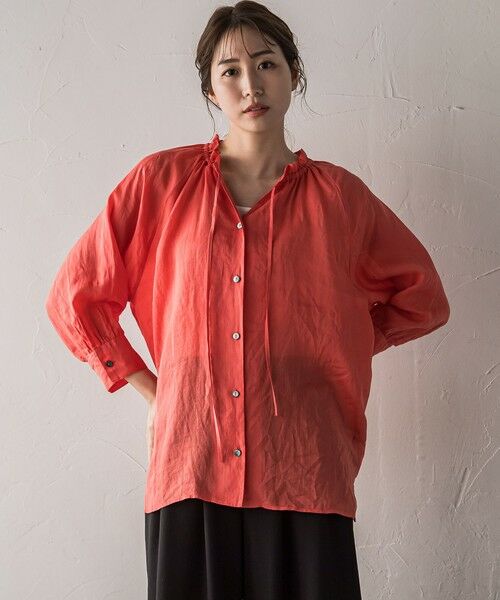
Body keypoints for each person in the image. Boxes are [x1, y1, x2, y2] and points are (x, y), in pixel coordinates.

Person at [45, 2, 451, 599]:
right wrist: (155, 391)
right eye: (230, 70)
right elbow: (76, 296)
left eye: (266, 64)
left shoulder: (341, 199)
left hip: (305, 462)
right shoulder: (160, 183)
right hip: (193, 461)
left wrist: (339, 344)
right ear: (210, 89)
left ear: (293, 74)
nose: (251, 85)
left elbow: (423, 298)